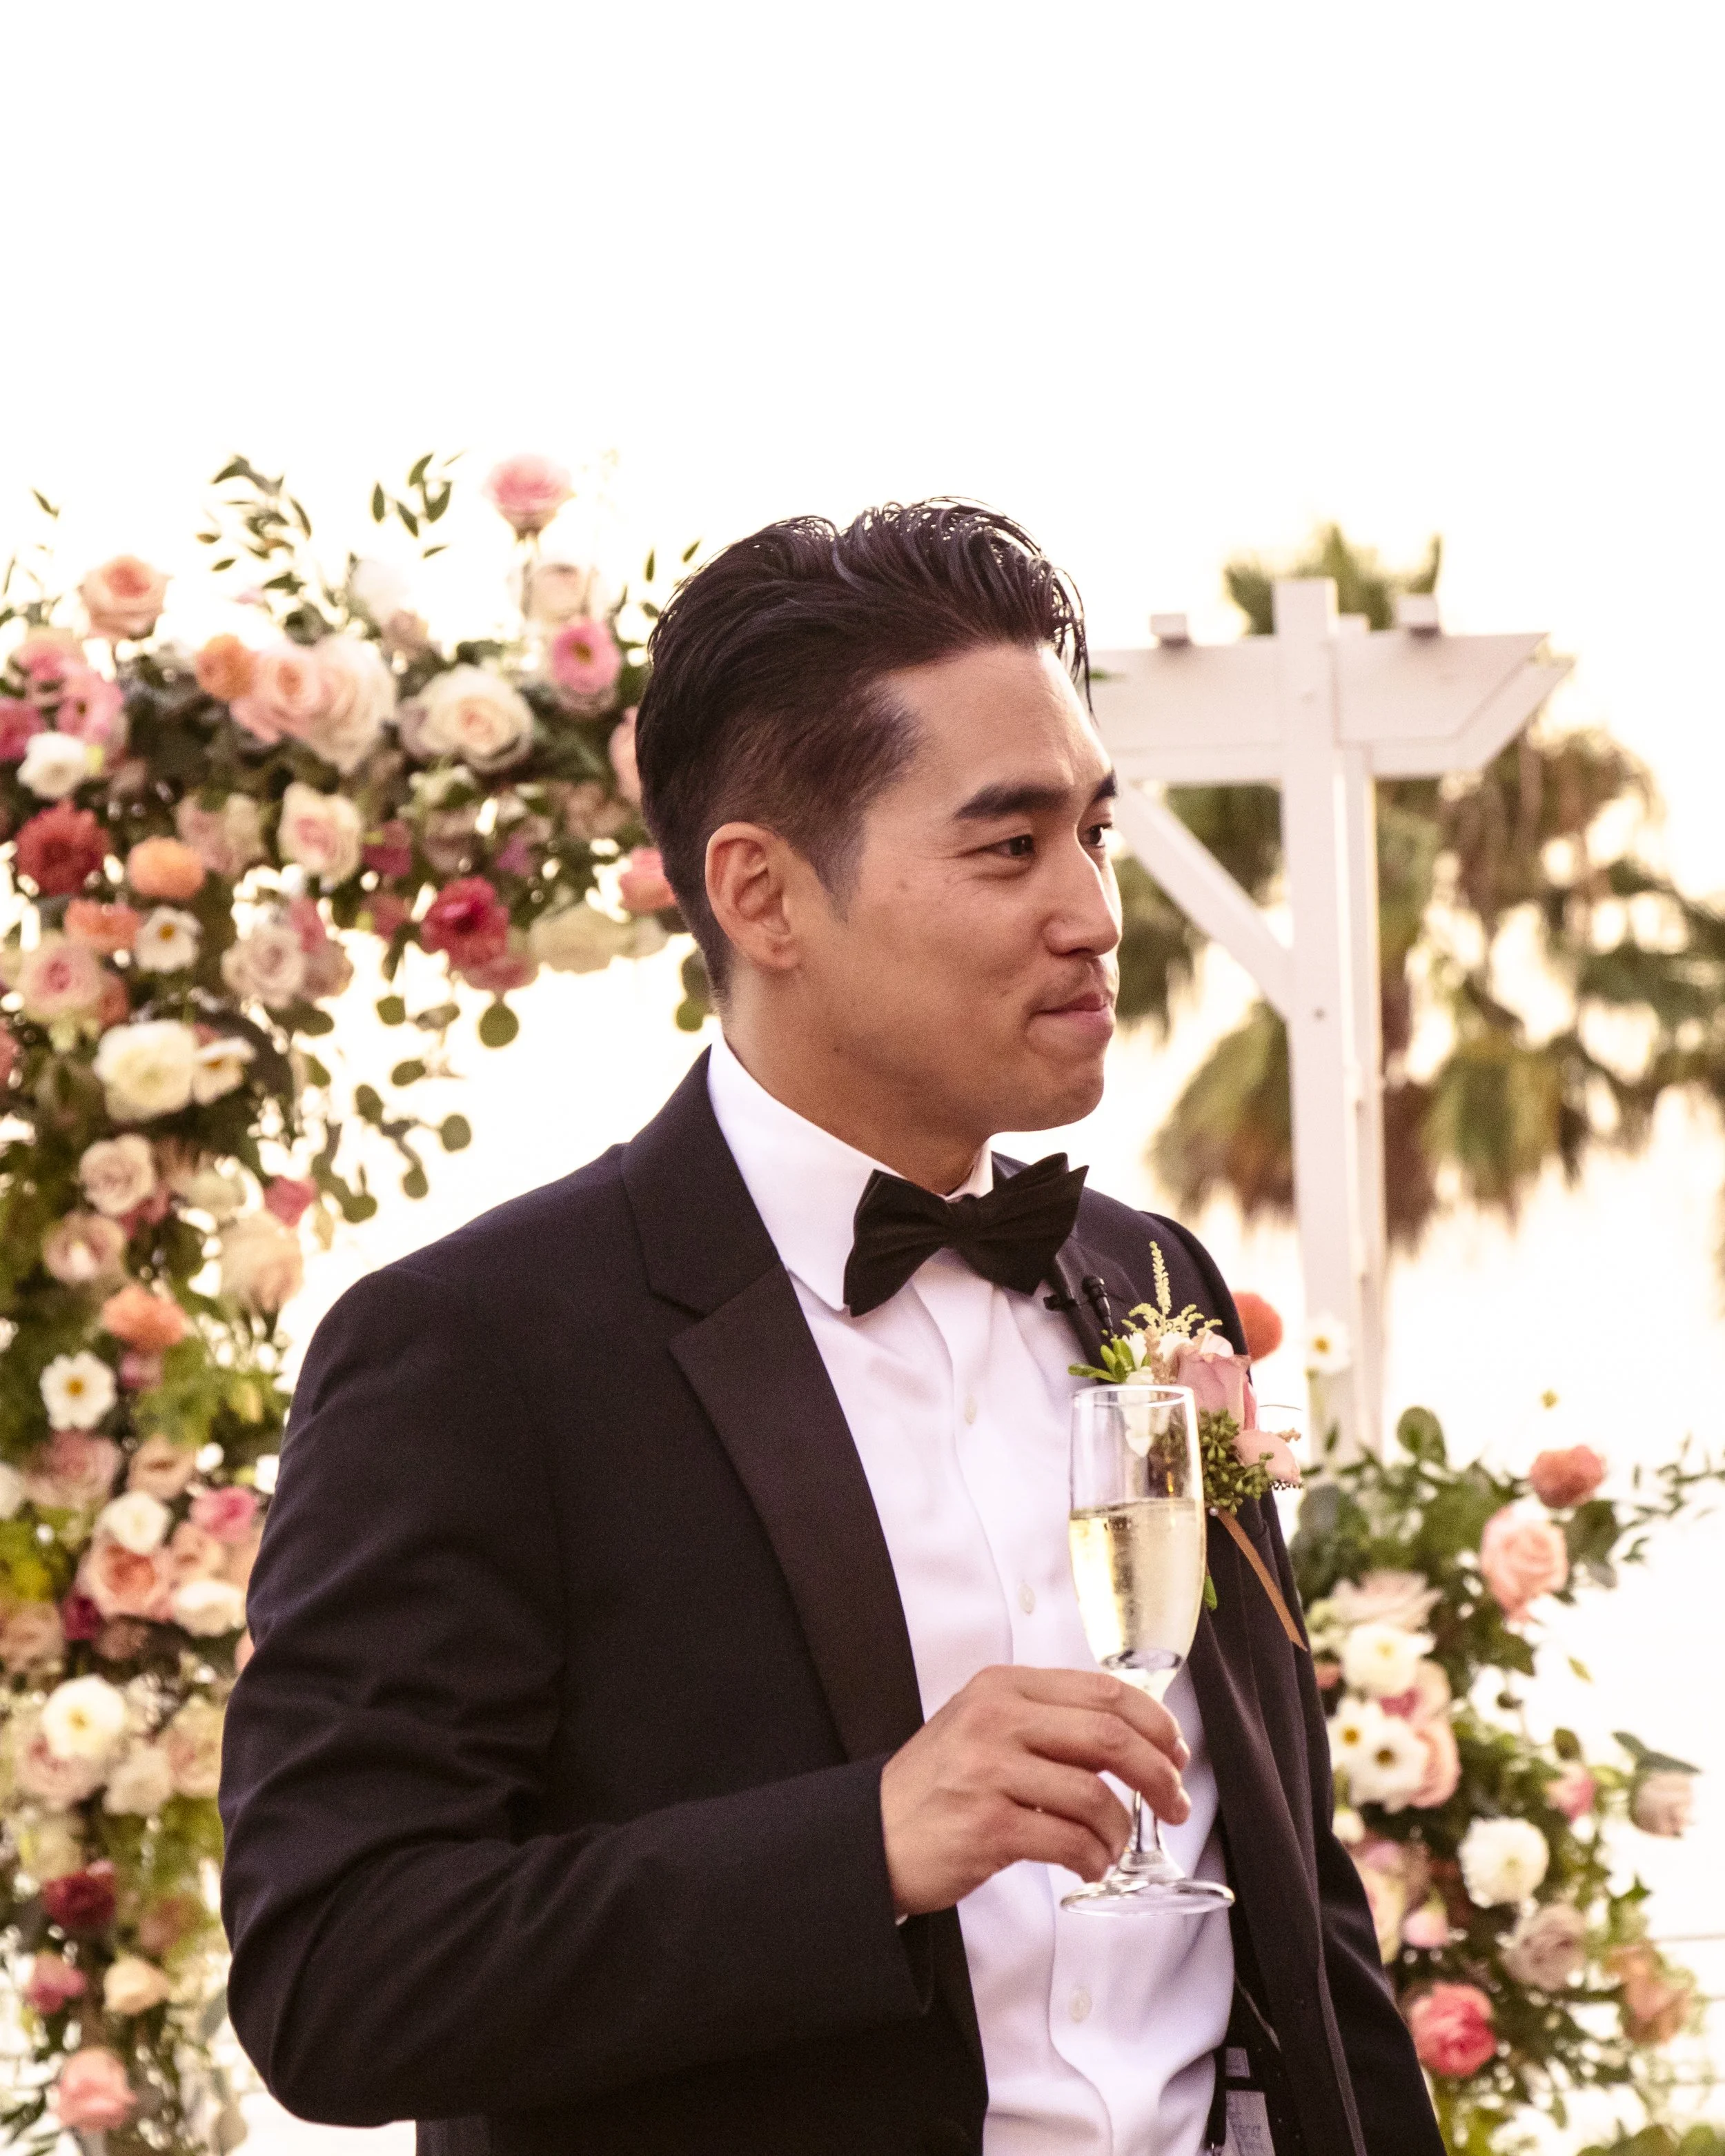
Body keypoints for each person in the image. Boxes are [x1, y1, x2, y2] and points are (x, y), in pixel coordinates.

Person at [219, 502, 1443, 2156]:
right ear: (762, 894)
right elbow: (337, 1976)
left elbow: (1295, 1905)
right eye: (1009, 847)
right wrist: (863, 1839)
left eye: (1093, 827)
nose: (1092, 908)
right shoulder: (473, 1348)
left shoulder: (1155, 1279)